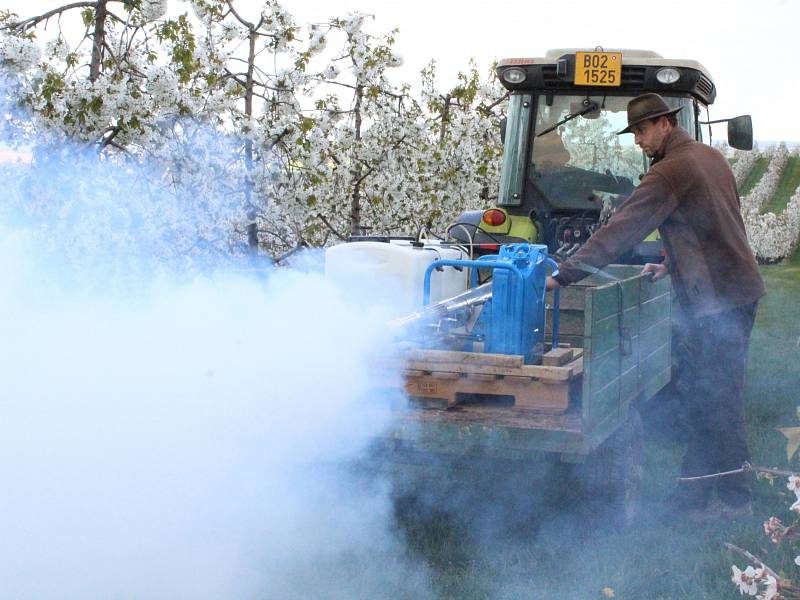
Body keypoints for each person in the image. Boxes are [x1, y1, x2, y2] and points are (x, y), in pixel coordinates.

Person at [546, 93, 766, 519]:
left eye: (643, 131)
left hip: (718, 301)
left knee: (718, 400)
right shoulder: (709, 157)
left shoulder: (668, 173)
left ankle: (738, 500)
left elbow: (620, 231)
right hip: (737, 291)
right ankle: (696, 496)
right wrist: (671, 262)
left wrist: (564, 275)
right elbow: (713, 222)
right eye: (635, 133)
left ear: (665, 123)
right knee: (710, 396)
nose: (638, 141)